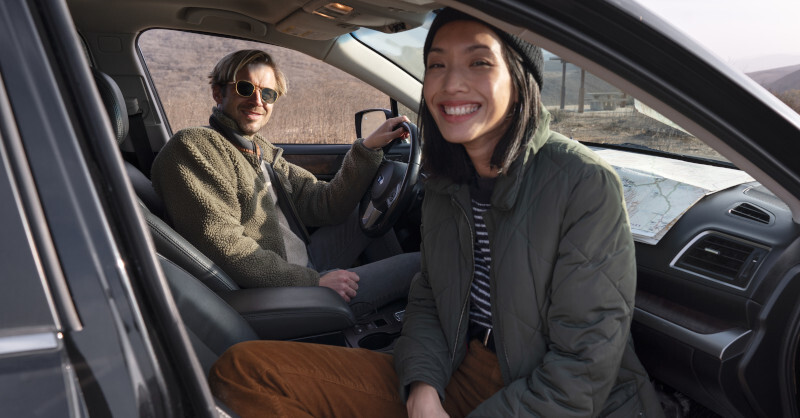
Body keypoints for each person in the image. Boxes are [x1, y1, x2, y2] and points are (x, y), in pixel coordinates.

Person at [207, 9, 664, 417]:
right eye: (436, 65)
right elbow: (429, 297)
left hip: (541, 391)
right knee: (244, 370)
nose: (450, 83)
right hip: (455, 367)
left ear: (520, 79)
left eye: (479, 62)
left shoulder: (583, 182)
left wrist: (365, 151)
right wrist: (421, 387)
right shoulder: (448, 183)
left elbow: (582, 369)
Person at [150, 49, 418, 315]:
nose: (258, 100)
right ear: (219, 93)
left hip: (298, 262)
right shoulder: (193, 147)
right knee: (419, 267)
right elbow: (226, 245)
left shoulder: (258, 149)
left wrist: (368, 148)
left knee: (372, 210)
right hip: (281, 291)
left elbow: (323, 203)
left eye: (268, 94)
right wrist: (313, 282)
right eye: (245, 88)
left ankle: (391, 312)